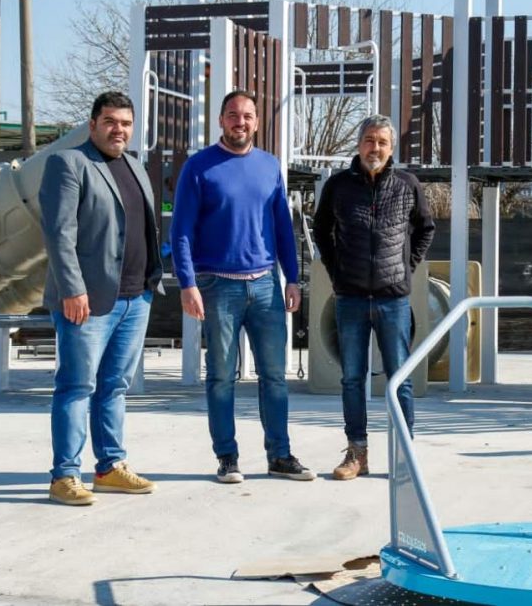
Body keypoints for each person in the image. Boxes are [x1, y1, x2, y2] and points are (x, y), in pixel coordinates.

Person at [171, 90, 314, 484]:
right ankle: (227, 457)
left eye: (248, 115)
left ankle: (280, 455)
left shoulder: (270, 167)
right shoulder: (199, 168)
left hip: (267, 285)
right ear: (221, 120)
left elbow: (283, 228)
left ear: (256, 121)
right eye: (233, 114)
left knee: (275, 376)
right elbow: (180, 231)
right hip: (217, 286)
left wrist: (293, 278)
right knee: (220, 376)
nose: (241, 122)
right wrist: (187, 283)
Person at [40, 91, 163, 506]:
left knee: (114, 387)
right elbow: (59, 234)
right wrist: (73, 289)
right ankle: (64, 476)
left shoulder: (135, 167)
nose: (119, 130)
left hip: (135, 297)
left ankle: (109, 467)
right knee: (76, 386)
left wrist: (149, 284)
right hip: (87, 302)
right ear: (92, 125)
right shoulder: (68, 163)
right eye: (110, 121)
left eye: (126, 123)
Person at [312, 115, 435, 480]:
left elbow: (426, 228)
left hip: (393, 299)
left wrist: (405, 267)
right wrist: (338, 274)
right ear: (359, 144)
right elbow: (322, 231)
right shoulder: (337, 187)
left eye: (382, 142)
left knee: (400, 377)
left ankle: (404, 456)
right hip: (350, 298)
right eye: (369, 140)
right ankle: (357, 453)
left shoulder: (407, 185)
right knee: (352, 377)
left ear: (391, 147)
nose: (375, 148)